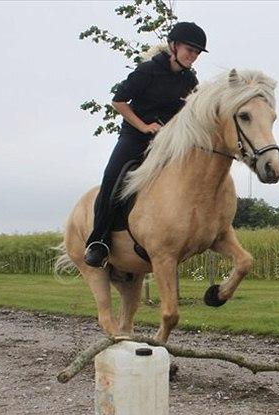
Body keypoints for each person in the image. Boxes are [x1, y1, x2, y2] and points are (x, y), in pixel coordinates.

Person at [84, 22, 208, 267]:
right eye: (189, 50)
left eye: (196, 53)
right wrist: (143, 126)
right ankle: (98, 241)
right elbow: (119, 102)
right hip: (135, 137)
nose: (192, 57)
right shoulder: (147, 71)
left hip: (168, 142)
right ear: (173, 46)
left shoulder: (190, 79)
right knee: (112, 178)